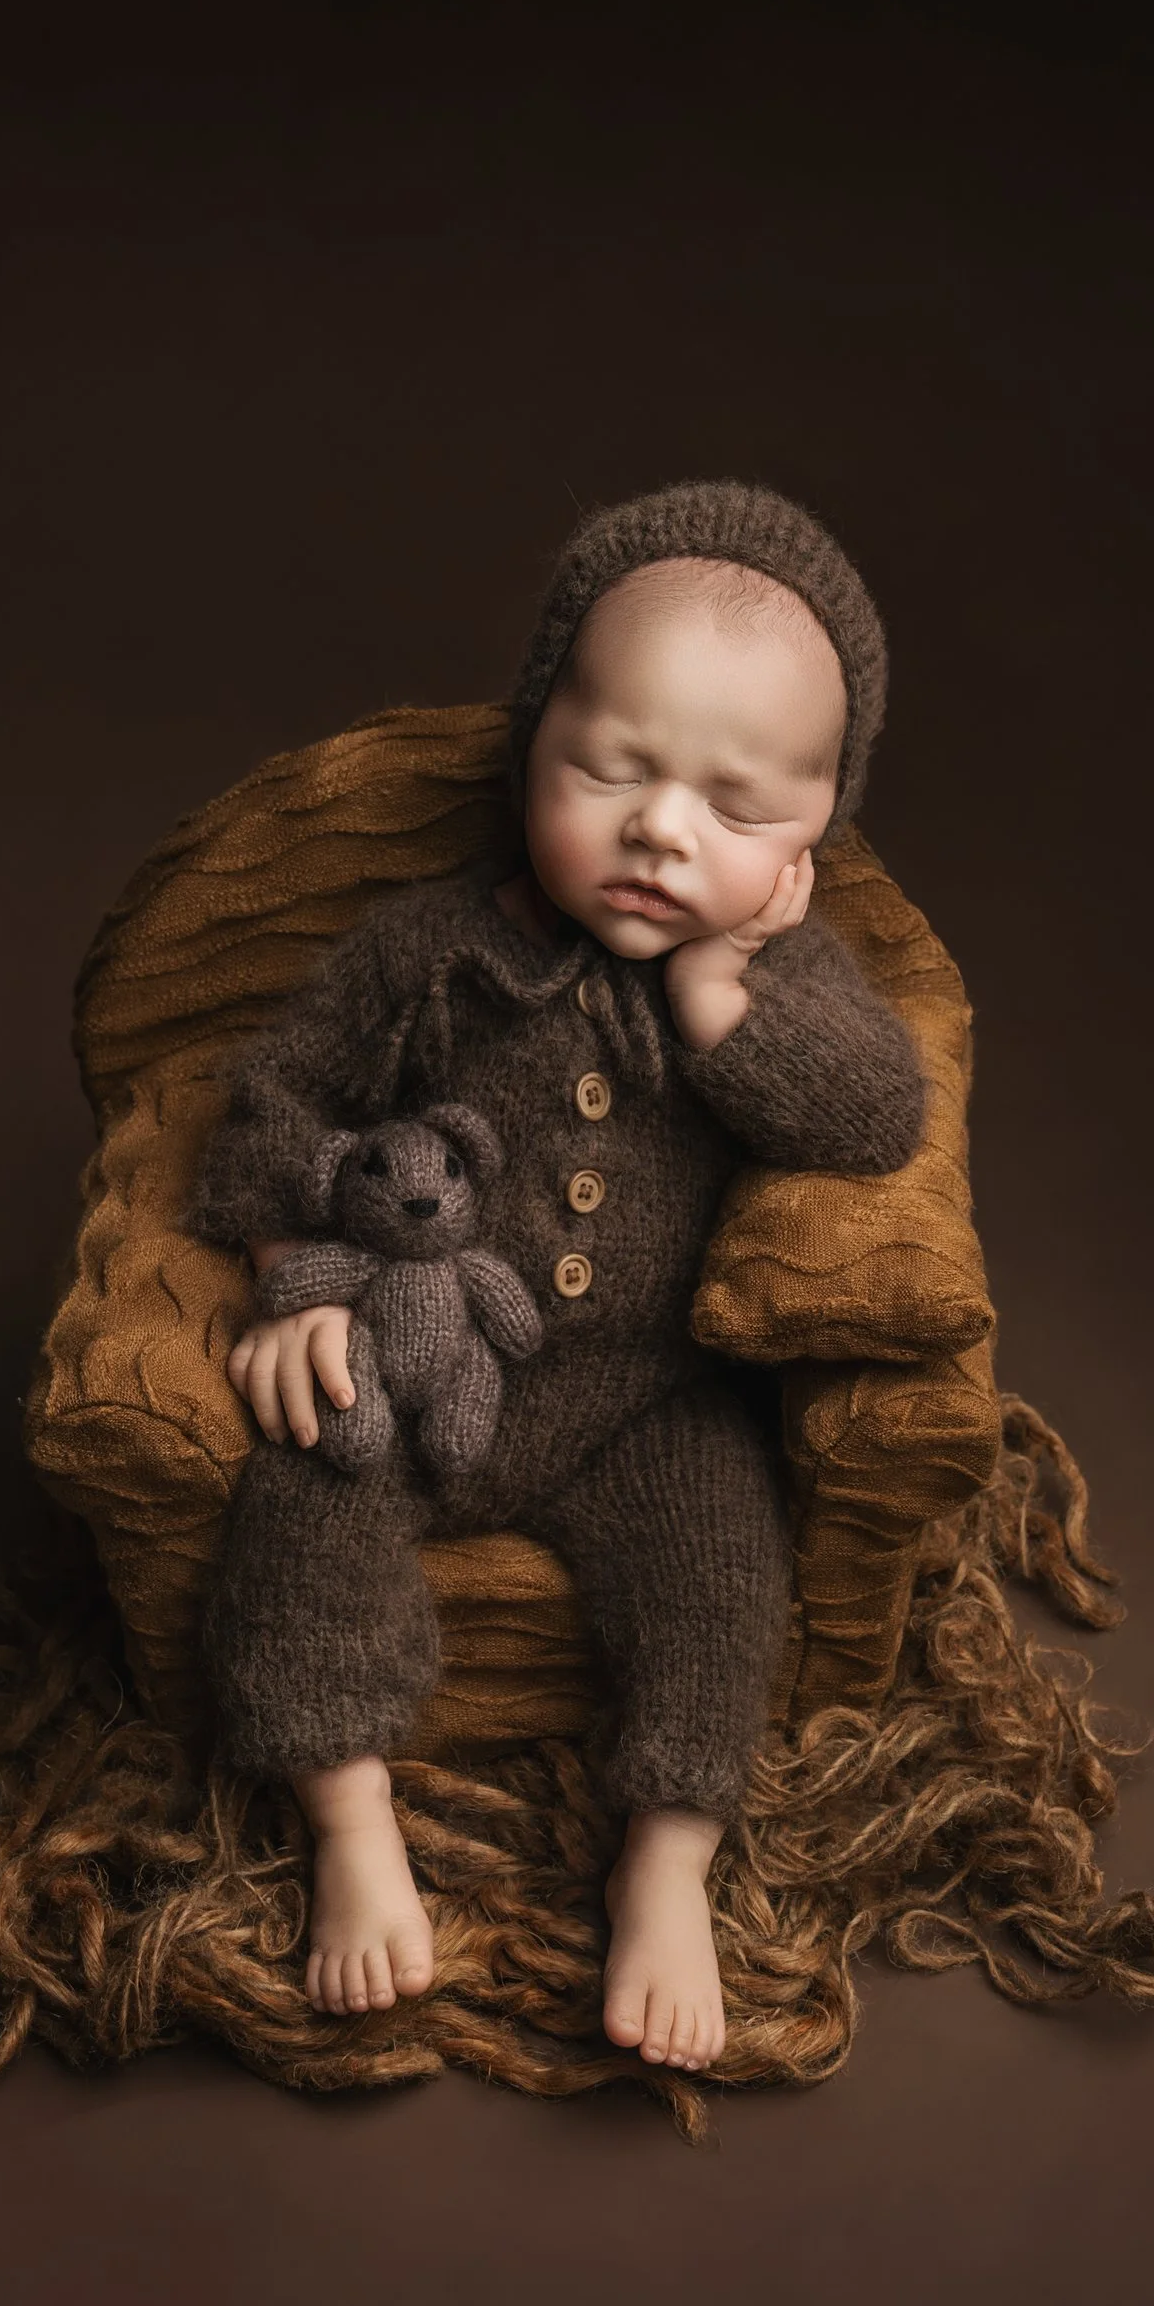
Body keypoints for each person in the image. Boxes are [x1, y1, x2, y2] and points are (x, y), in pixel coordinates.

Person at [186, 482, 926, 2074]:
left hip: (640, 1400)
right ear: (533, 747)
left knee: (722, 1573)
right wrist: (295, 1288)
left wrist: (728, 996)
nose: (663, 832)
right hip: (409, 1346)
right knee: (305, 1493)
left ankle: (666, 1863)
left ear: (813, 844)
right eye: (613, 771)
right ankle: (348, 1818)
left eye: (738, 813)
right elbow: (278, 1103)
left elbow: (877, 1119)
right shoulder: (428, 953)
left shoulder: (778, 977)